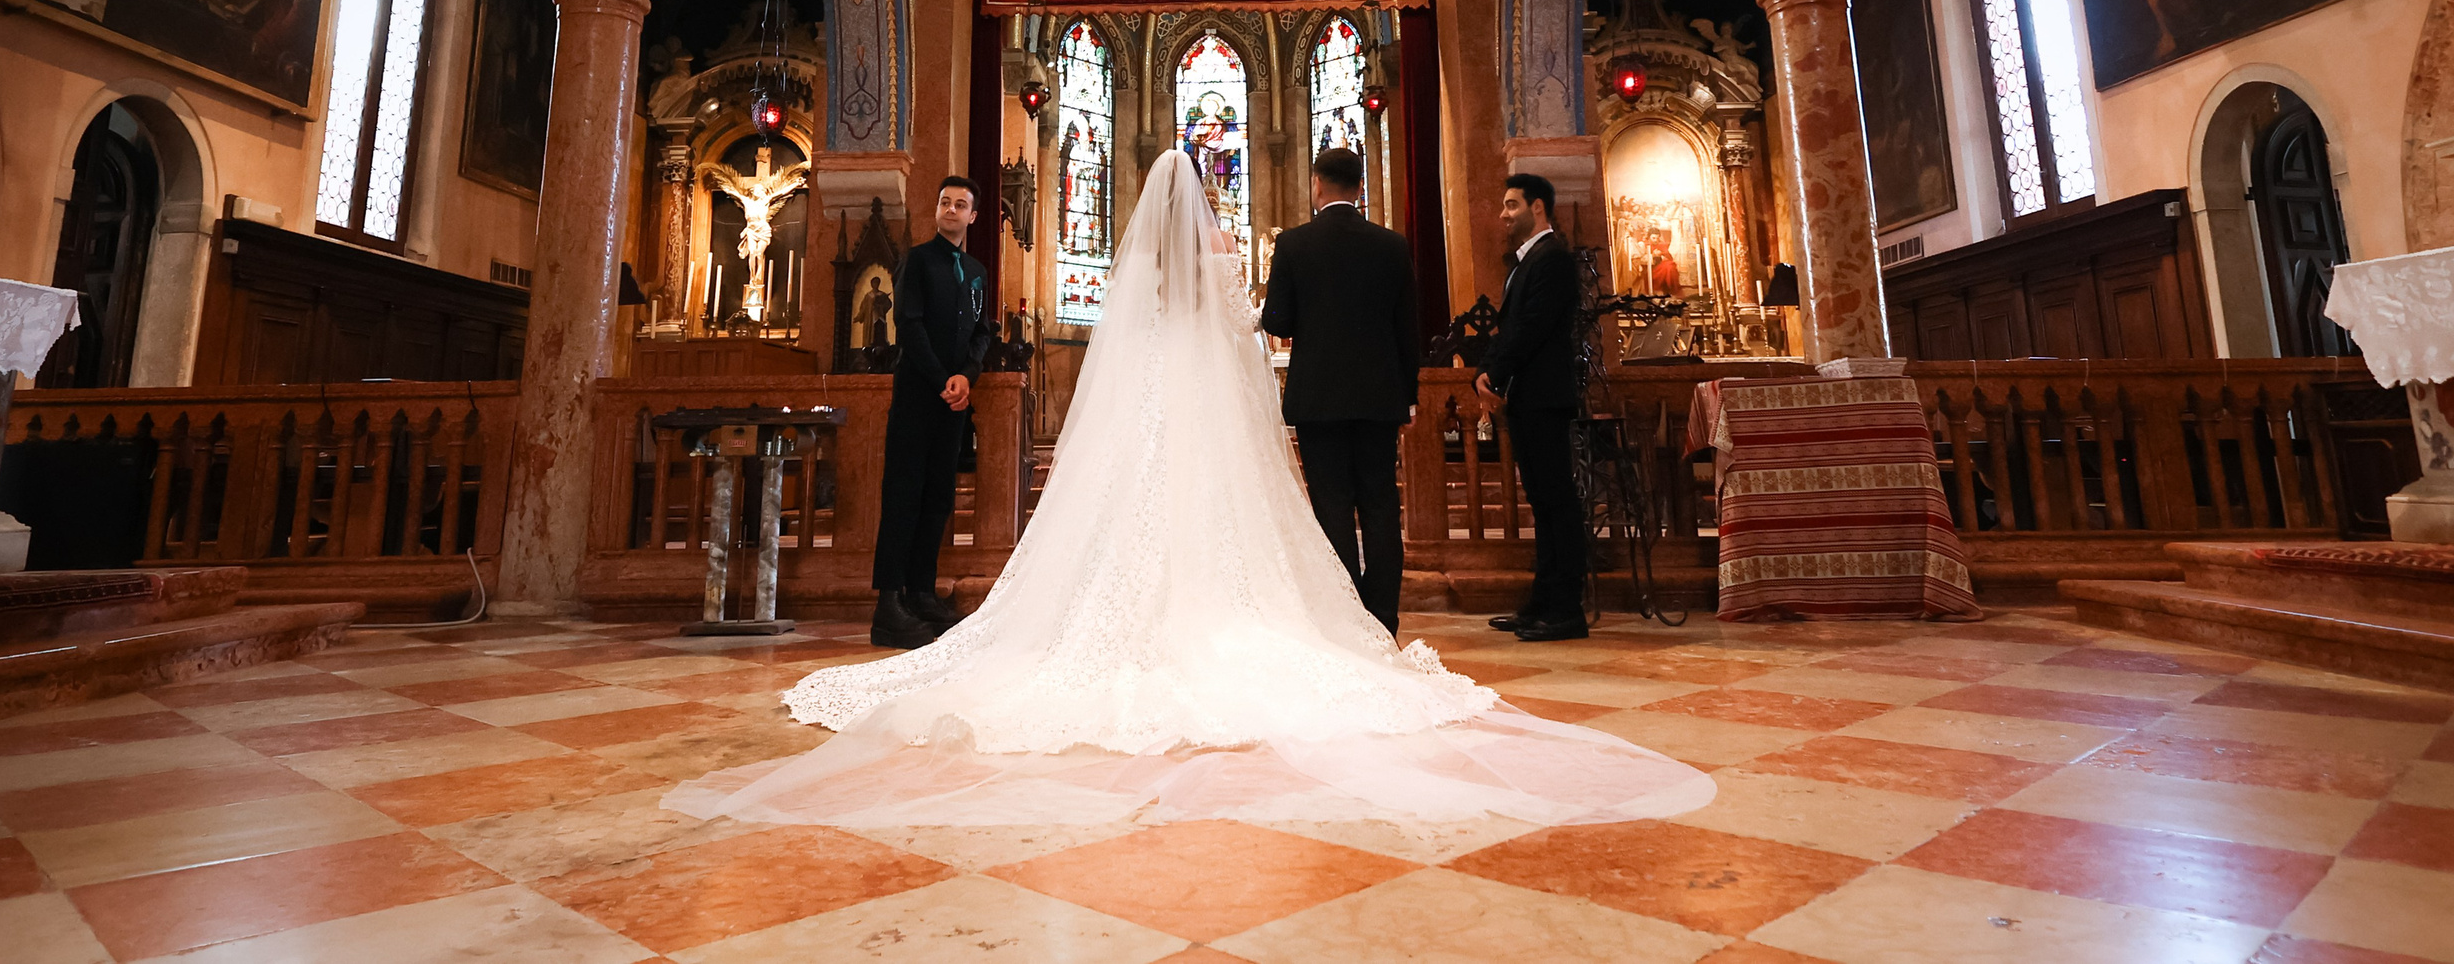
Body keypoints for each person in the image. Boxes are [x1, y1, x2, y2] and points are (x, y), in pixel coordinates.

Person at [665, 150, 1714, 831]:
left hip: (1162, 406)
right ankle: (1360, 615)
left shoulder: (1161, 282)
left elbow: (1273, 327)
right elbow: (1259, 332)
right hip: (1276, 402)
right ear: (1205, 213)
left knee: (1127, 506)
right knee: (1298, 517)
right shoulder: (1257, 258)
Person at [1259, 145, 1419, 631]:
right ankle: (1384, 616)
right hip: (1379, 397)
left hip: (1319, 398)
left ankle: (1348, 617)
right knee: (1379, 501)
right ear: (1360, 187)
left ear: (1316, 185)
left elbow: (1278, 319)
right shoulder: (1392, 245)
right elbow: (1406, 328)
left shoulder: (1294, 245)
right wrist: (1407, 394)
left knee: (1331, 503)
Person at [867, 176, 992, 649]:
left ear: (973, 216)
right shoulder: (917, 261)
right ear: (937, 210)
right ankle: (888, 604)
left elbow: (982, 331)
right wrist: (943, 378)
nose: (952, 210)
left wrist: (968, 375)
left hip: (956, 397)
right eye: (945, 202)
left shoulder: (978, 271)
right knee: (904, 494)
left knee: (939, 494)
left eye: (961, 204)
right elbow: (910, 326)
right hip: (920, 393)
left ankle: (921, 592)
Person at [1471, 173, 1590, 642]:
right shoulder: (1527, 260)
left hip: (1544, 396)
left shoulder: (1553, 259)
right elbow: (1514, 327)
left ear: (1538, 208)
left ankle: (1565, 610)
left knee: (1556, 502)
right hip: (1529, 397)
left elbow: (1533, 326)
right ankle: (1542, 603)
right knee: (1543, 503)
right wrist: (1489, 368)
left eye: (1512, 205)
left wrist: (1493, 373)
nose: (1503, 214)